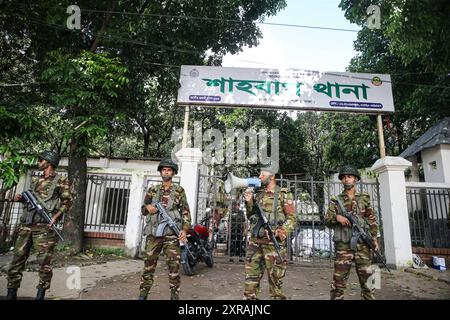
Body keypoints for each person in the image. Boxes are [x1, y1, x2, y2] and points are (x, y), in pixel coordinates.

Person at [6, 150, 73, 300]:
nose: (39, 162)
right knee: (16, 261)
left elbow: (67, 202)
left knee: (44, 265)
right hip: (27, 226)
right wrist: (20, 199)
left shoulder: (60, 180)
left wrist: (55, 217)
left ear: (49, 162)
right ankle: (11, 294)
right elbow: (29, 199)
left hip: (44, 229)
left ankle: (40, 295)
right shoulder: (36, 181)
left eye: (41, 160)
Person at [138, 158, 191, 300]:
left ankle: (174, 296)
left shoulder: (179, 191)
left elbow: (185, 212)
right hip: (154, 234)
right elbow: (143, 209)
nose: (166, 172)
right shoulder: (152, 190)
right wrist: (148, 208)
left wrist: (184, 231)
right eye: (164, 170)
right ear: (161, 172)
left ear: (173, 173)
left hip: (171, 235)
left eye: (169, 170)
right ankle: (143, 295)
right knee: (148, 265)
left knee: (174, 267)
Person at [324, 165, 379, 300]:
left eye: (349, 177)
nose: (346, 180)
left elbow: (371, 219)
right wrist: (337, 217)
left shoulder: (364, 198)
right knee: (338, 283)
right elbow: (327, 220)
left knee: (370, 283)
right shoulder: (336, 200)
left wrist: (374, 238)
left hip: (363, 246)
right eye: (344, 178)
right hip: (344, 247)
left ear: (355, 179)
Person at [243, 163, 295, 300]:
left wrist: (280, 232)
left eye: (262, 174)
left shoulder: (283, 194)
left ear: (272, 176)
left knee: (275, 284)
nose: (260, 176)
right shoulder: (259, 195)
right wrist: (249, 202)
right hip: (255, 244)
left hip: (273, 244)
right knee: (250, 284)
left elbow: (292, 219)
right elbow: (251, 216)